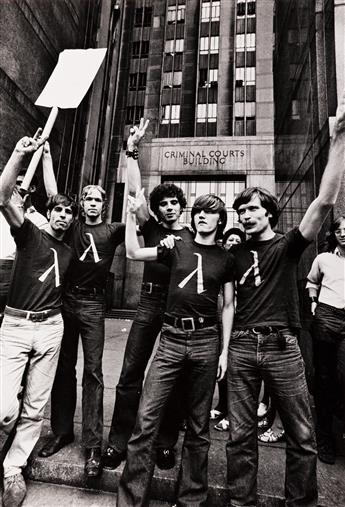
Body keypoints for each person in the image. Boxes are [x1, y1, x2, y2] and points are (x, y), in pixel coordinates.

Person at [226, 93, 345, 507]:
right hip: (241, 345)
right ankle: (242, 501)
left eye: (253, 209)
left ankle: (301, 502)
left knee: (301, 435)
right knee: (240, 437)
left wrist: (340, 138)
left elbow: (325, 201)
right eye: (241, 210)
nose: (245, 214)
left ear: (270, 214)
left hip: (282, 346)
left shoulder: (288, 245)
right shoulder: (233, 252)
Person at [117, 193, 235, 507]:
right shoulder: (175, 246)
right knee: (146, 419)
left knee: (198, 428)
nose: (201, 216)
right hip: (170, 338)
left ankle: (190, 500)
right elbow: (131, 252)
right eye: (197, 211)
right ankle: (129, 501)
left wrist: (224, 351)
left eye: (210, 213)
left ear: (220, 220)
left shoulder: (225, 258)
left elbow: (228, 305)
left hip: (206, 340)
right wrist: (131, 215)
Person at [103, 121, 193, 471]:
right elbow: (134, 193)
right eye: (164, 204)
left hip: (177, 308)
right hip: (149, 303)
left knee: (173, 378)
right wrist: (132, 149)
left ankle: (166, 442)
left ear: (181, 207)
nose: (169, 207)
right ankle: (118, 442)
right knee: (130, 374)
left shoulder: (193, 235)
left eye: (174, 203)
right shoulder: (152, 226)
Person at [0, 135, 77, 507]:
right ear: (48, 213)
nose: (62, 215)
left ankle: (13, 468)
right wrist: (20, 154)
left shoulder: (70, 245)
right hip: (15, 327)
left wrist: (48, 162)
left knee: (34, 407)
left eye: (68, 212)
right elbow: (2, 198)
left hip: (51, 328)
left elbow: (55, 193)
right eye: (57, 210)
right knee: (4, 410)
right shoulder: (29, 233)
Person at [39, 182, 126, 478]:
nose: (91, 203)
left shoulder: (113, 231)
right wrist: (48, 159)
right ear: (82, 203)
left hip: (92, 303)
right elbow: (54, 193)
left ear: (103, 203)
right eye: (87, 198)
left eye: (97, 199)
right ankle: (62, 431)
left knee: (93, 373)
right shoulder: (73, 225)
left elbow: (140, 220)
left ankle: (92, 446)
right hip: (66, 300)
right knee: (64, 367)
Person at [0, 140, 56, 320]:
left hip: (15, 275)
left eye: (21, 183)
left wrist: (46, 158)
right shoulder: (2, 210)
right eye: (14, 182)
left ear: (32, 188)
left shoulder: (39, 220)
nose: (16, 187)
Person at [306, 215, 345, 464]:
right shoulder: (323, 259)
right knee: (323, 377)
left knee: (342, 376)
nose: (344, 233)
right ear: (334, 234)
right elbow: (311, 282)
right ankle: (324, 437)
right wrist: (312, 302)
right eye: (340, 229)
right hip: (327, 316)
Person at [210, 227, 245, 433]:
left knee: (236, 369)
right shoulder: (219, 261)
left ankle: (233, 413)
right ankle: (222, 406)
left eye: (237, 239)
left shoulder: (244, 262)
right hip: (217, 319)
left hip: (240, 320)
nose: (233, 242)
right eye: (229, 239)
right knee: (221, 365)